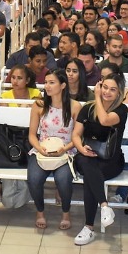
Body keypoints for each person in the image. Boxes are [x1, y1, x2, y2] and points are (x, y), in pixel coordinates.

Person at [72, 73, 128, 245]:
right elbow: (75, 134)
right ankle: (104, 207)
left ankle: (89, 227)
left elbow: (104, 120)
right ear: (100, 85)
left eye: (113, 89)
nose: (107, 92)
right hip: (87, 157)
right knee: (86, 162)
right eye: (105, 87)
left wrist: (96, 96)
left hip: (111, 161)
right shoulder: (87, 108)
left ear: (119, 92)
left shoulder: (121, 110)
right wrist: (81, 147)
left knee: (90, 175)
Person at [27, 69, 80, 231]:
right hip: (42, 150)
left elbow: (78, 137)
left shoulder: (75, 106)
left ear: (63, 85)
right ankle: (40, 211)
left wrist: (65, 148)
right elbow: (32, 135)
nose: (47, 86)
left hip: (66, 151)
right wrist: (39, 148)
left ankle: (65, 212)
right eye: (46, 82)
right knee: (34, 179)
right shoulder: (39, 105)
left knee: (63, 179)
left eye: (52, 82)